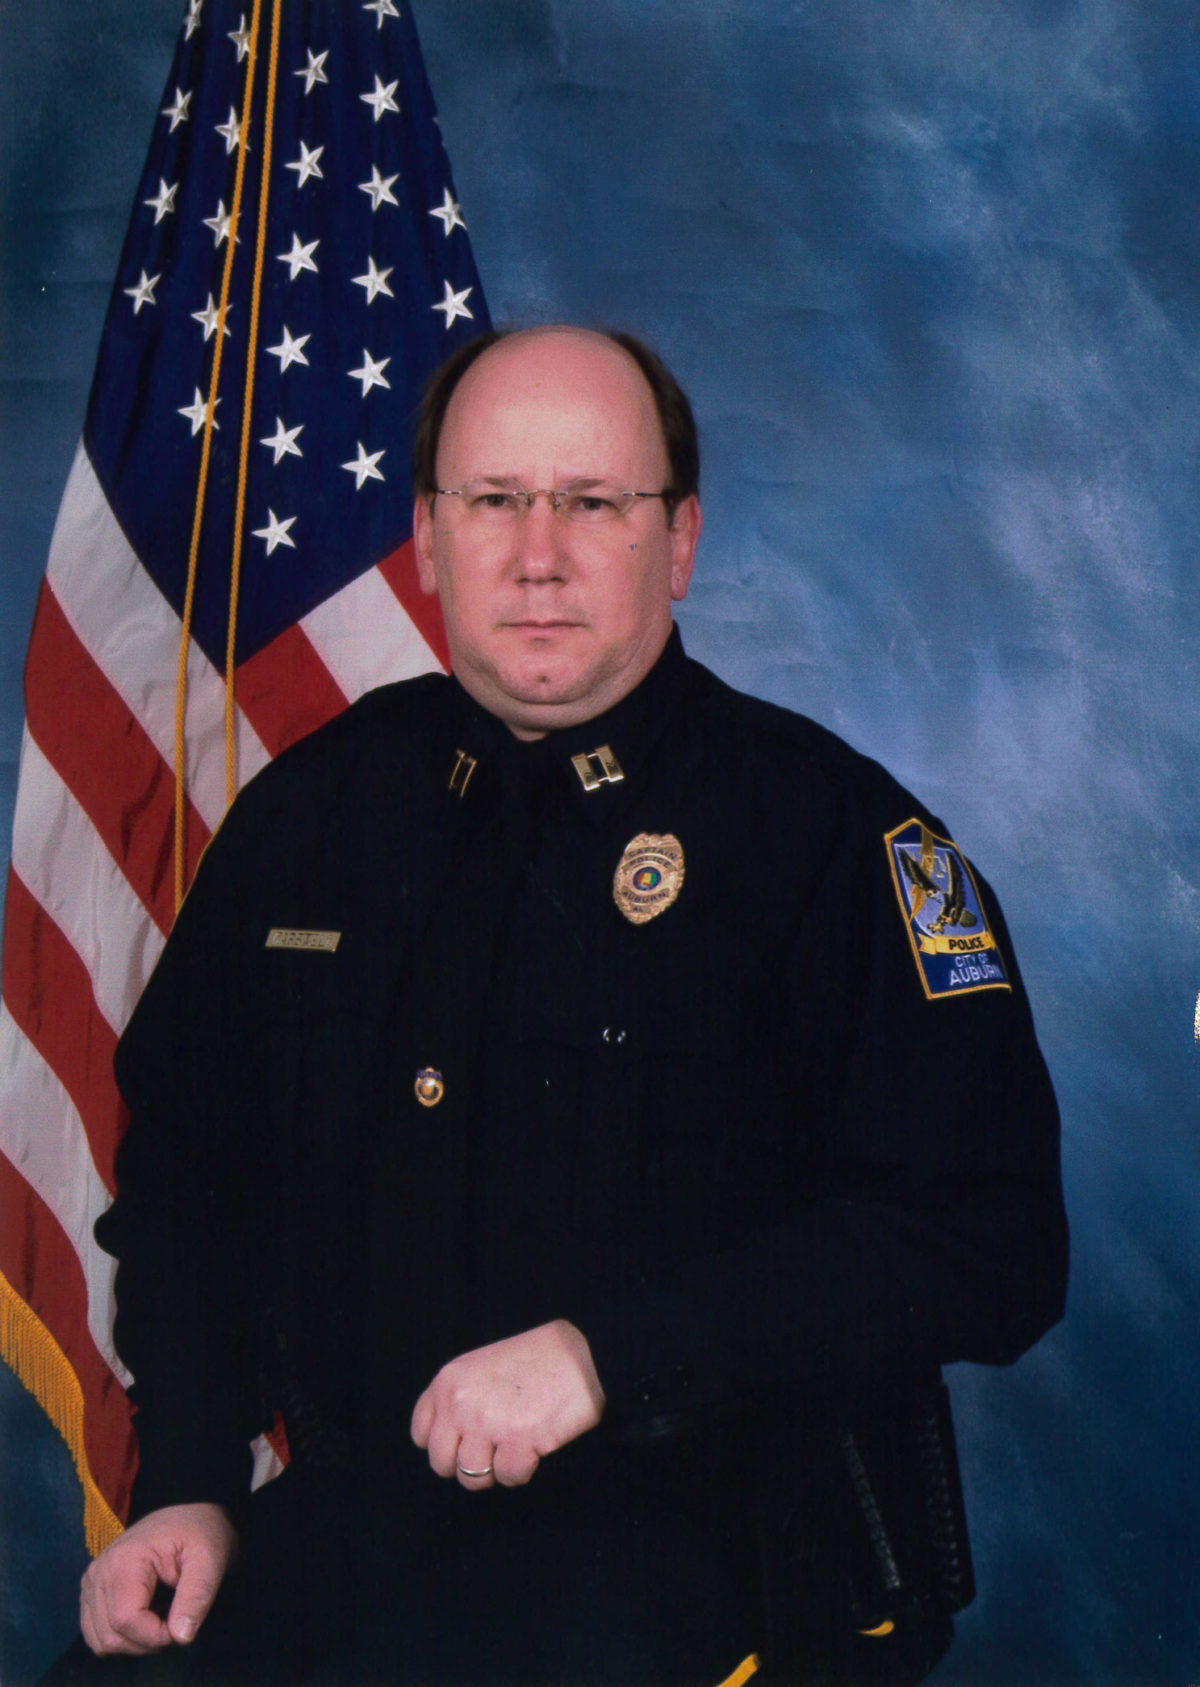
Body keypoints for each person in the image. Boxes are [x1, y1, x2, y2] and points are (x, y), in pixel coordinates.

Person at [53, 326, 1067, 1687]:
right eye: (494, 503)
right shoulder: (313, 817)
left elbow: (991, 1244)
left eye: (594, 502)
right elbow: (189, 1185)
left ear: (682, 540)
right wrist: (184, 1480)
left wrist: (614, 1358)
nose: (540, 553)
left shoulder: (824, 837)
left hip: (719, 1557)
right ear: (427, 541)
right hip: (363, 1535)